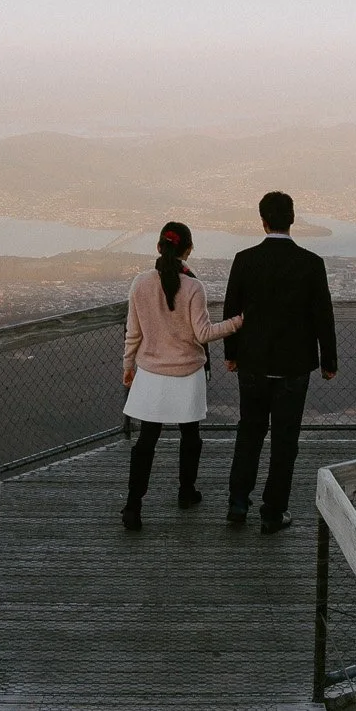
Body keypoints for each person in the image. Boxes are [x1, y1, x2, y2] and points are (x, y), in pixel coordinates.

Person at [221, 191, 337, 533]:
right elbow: (323, 316)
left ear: (263, 221)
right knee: (285, 440)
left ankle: (237, 504)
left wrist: (231, 353)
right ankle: (273, 511)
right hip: (294, 366)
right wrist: (328, 360)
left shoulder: (244, 260)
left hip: (252, 363)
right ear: (292, 219)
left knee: (249, 433)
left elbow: (231, 311)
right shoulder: (311, 263)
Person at [120, 221, 243, 530]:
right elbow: (202, 333)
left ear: (159, 247)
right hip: (188, 373)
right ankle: (186, 491)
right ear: (188, 249)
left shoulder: (140, 283)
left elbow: (133, 333)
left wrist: (128, 366)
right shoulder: (193, 287)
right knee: (190, 436)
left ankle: (133, 506)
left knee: (147, 440)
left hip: (151, 373)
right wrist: (237, 322)